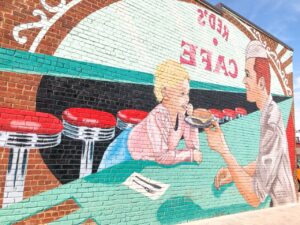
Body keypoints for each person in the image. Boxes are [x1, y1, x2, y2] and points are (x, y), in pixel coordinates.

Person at [205, 40, 297, 207]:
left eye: (247, 74)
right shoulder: (269, 112)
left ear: (261, 83)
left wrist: (223, 149)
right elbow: (264, 161)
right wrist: (234, 173)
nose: (243, 81)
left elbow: (255, 196)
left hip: (282, 211)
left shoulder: (271, 121)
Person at [98, 60, 202, 171]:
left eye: (187, 93)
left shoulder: (181, 115)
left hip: (143, 161)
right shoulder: (158, 115)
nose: (187, 99)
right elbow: (163, 157)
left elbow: (193, 148)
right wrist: (189, 155)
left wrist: (191, 121)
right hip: (123, 153)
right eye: (182, 93)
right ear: (165, 93)